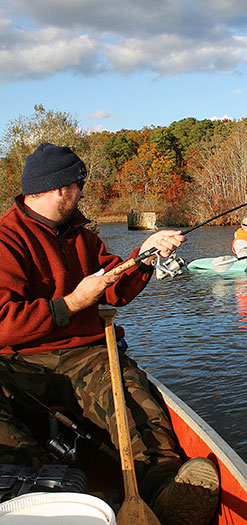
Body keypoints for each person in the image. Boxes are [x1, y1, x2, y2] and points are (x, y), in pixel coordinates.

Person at [0, 143, 219, 525]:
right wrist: (69, 304)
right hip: (16, 362)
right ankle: (36, 496)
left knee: (134, 403)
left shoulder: (81, 236)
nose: (83, 192)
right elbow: (4, 320)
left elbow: (116, 288)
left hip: (85, 353)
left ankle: (166, 493)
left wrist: (146, 255)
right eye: (79, 184)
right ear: (60, 188)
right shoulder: (6, 240)